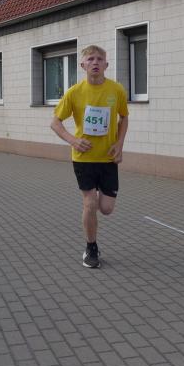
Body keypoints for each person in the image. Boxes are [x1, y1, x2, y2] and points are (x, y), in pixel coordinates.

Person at [50, 45, 129, 269]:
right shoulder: (74, 92)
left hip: (108, 159)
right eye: (91, 59)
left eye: (99, 59)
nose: (95, 62)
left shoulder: (116, 90)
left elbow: (124, 118)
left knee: (106, 208)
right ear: (83, 65)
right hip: (83, 158)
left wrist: (119, 144)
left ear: (106, 64)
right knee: (90, 203)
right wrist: (73, 140)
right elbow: (55, 123)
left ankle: (96, 214)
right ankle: (91, 247)